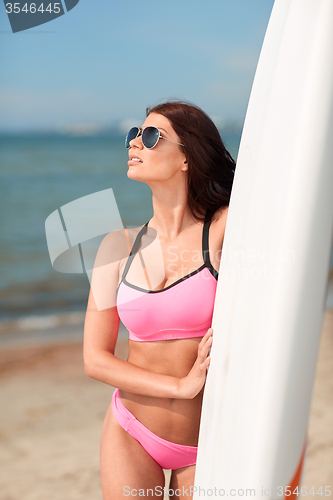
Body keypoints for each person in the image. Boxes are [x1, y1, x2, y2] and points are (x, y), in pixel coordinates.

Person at [83, 100, 235, 499]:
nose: (136, 143)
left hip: (207, 437)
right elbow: (95, 359)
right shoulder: (116, 246)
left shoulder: (222, 230)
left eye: (152, 136)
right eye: (135, 134)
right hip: (130, 430)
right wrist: (180, 386)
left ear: (187, 158)